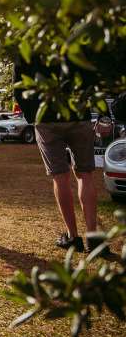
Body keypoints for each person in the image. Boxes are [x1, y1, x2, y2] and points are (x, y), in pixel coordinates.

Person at [13, 54, 105, 253]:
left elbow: (18, 88)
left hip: (46, 118)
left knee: (60, 177)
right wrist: (103, 113)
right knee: (84, 175)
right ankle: (94, 239)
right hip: (78, 116)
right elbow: (92, 81)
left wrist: (33, 116)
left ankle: (73, 237)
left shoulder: (26, 47)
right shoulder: (74, 41)